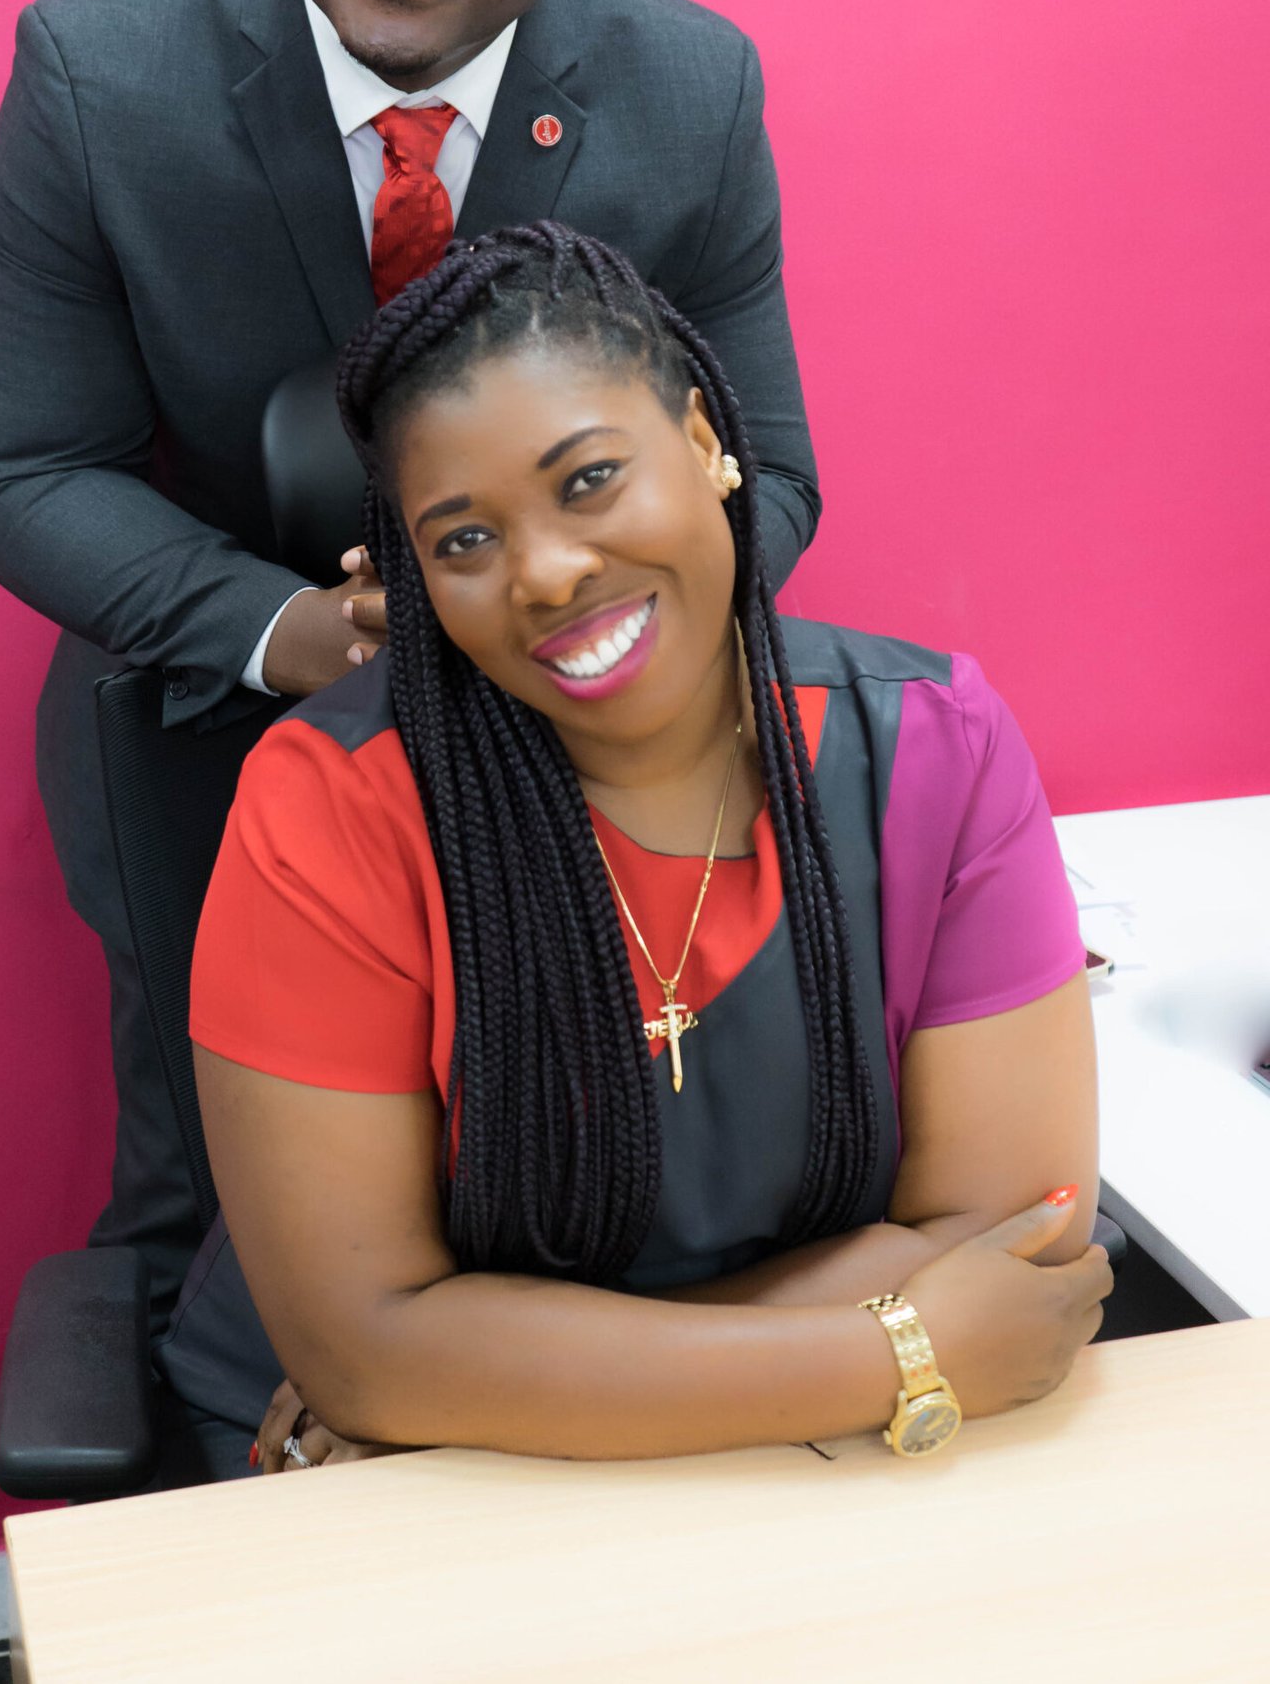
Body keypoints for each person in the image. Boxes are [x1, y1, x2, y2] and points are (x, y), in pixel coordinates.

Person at [0, 0, 822, 1322]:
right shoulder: (100, 71)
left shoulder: (690, 89)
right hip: (215, 725)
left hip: (577, 729)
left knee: (546, 1180)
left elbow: (767, 476)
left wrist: (553, 619)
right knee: (233, 1223)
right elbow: (30, 471)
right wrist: (299, 633)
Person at [160, 223, 1110, 1477]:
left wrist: (480, 1385)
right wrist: (896, 1347)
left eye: (589, 479)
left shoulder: (935, 747)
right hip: (394, 1496)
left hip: (596, 1456)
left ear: (707, 442)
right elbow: (362, 1347)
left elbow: (1013, 1234)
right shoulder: (331, 807)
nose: (547, 572)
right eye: (463, 540)